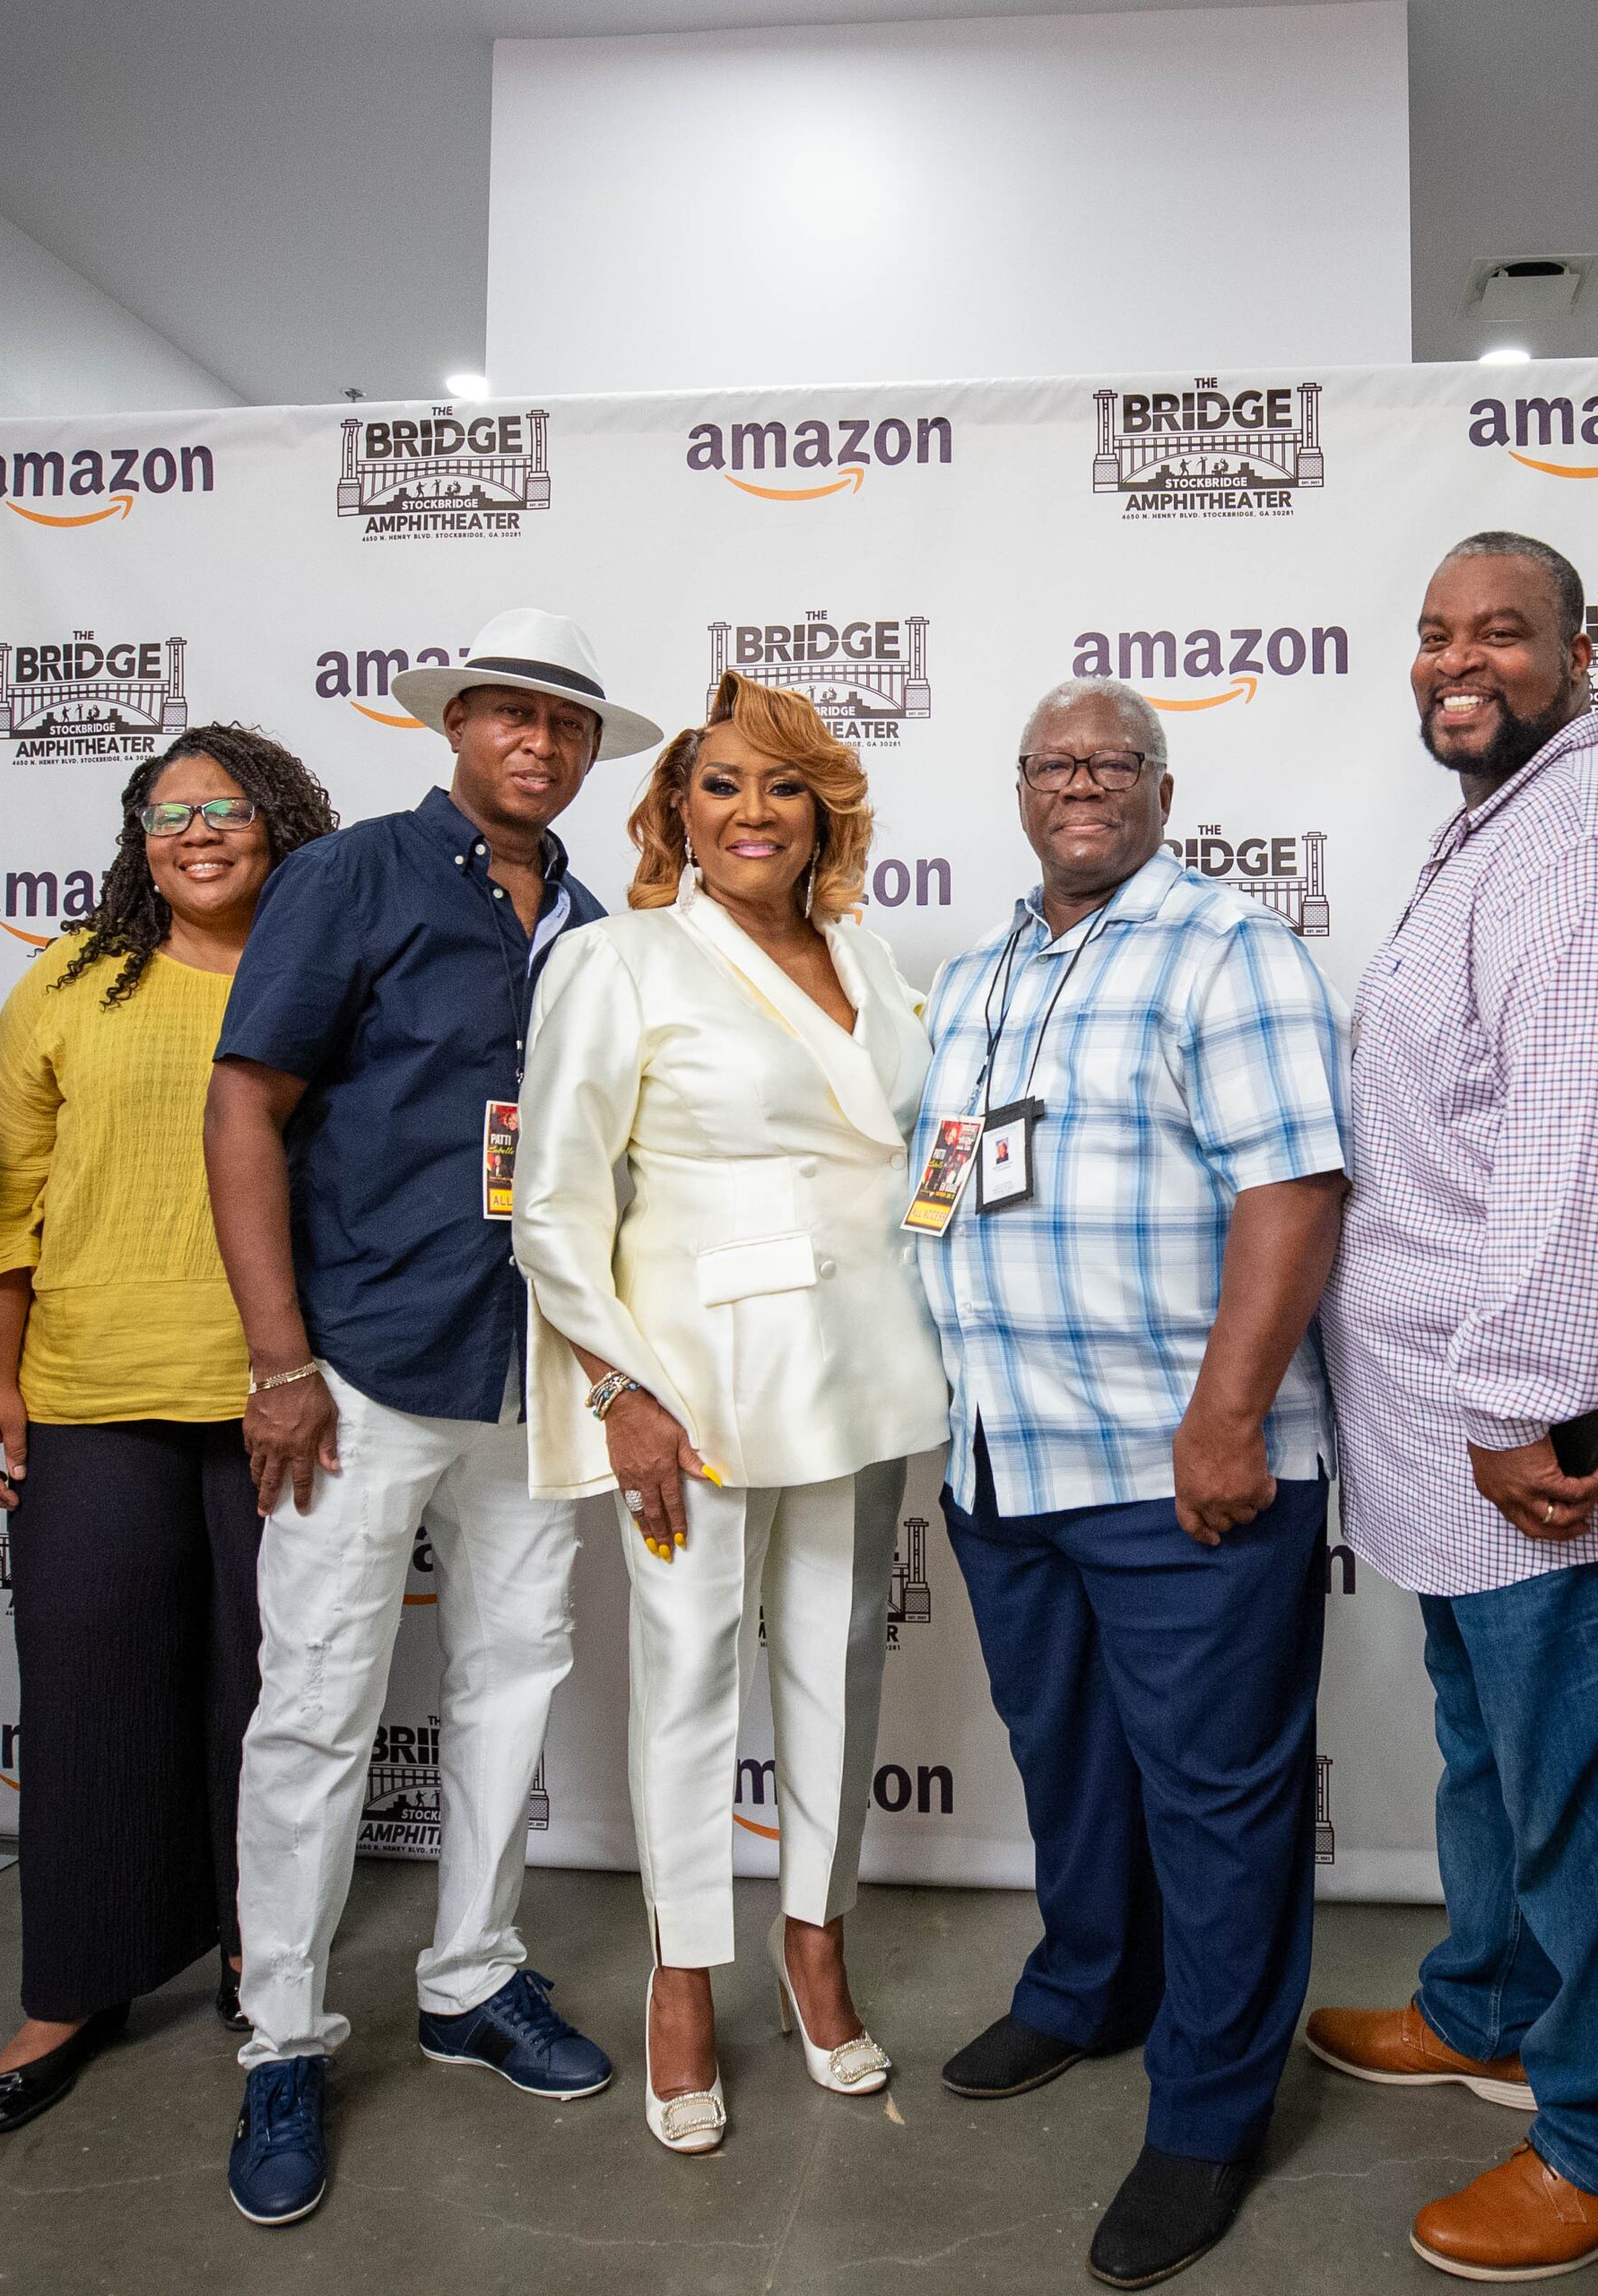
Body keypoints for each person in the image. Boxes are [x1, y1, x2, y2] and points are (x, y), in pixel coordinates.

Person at [1308, 532, 1598, 2283]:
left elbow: (1583, 1145)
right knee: (1496, 1758)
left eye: (1501, 630)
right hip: (1453, 1430)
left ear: (1579, 651)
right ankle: (1492, 2003)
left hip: (1557, 1449)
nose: (1457, 659)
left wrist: (1532, 1397)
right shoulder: (1507, 818)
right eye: (1432, 632)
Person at [207, 609, 664, 2228]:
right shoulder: (350, 881)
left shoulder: (595, 924)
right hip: (359, 1368)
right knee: (319, 1708)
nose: (534, 745)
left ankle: (472, 1980)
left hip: (528, 1375)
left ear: (588, 753)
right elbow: (245, 1102)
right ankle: (283, 2038)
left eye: (562, 726)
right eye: (506, 717)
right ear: (454, 726)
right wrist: (277, 1360)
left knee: (510, 1685)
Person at [917, 677, 1348, 2289]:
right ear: (1020, 789)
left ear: (1165, 787)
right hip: (1004, 1451)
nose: (1080, 783)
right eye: (1053, 762)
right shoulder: (975, 973)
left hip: (1183, 1466)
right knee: (1070, 1760)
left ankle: (1211, 2110)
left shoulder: (1232, 952)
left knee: (1220, 1796)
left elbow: (1294, 1191)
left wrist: (1228, 1418)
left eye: (1114, 762)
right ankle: (1089, 1984)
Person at [510, 672, 944, 2156]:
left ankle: (813, 1941)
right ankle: (682, 1970)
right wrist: (621, 1388)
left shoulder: (871, 956)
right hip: (689, 1383)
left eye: (782, 786)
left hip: (862, 1364)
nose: (752, 813)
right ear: (673, 813)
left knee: (836, 1663)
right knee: (691, 1670)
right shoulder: (616, 962)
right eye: (719, 787)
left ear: (823, 807)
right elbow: (555, 1207)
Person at [0, 726, 339, 2135]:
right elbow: (0, 1204)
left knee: (272, 1700)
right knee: (86, 1689)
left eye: (225, 806)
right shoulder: (65, 984)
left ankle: (259, 1952)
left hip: (281, 1396)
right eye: (166, 811)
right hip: (92, 1391)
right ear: (138, 836)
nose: (196, 831)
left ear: (278, 822)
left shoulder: (329, 975)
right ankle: (74, 1982)